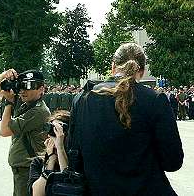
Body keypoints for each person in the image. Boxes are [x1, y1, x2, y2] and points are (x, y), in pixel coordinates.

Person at [56, 46, 184, 196]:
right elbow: (173, 161)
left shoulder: (82, 100)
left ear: (113, 67)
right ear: (141, 71)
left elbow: (75, 159)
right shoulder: (154, 100)